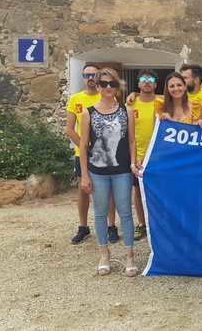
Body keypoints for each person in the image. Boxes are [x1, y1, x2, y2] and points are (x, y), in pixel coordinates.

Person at [79, 68, 139, 277]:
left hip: (122, 170)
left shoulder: (126, 111)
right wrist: (85, 175)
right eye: (103, 84)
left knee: (125, 213)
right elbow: (83, 146)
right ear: (96, 85)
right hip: (98, 172)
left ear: (117, 86)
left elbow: (132, 140)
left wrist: (133, 162)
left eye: (111, 84)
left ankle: (129, 255)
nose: (107, 88)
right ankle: (104, 254)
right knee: (100, 213)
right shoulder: (88, 113)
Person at [66, 63, 118, 244]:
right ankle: (83, 227)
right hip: (83, 152)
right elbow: (70, 129)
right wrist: (85, 147)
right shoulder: (75, 99)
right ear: (82, 77)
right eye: (86, 75)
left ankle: (111, 226)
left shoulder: (107, 94)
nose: (90, 78)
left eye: (93, 75)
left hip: (106, 153)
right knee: (83, 190)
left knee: (109, 190)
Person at [130, 69, 162, 241]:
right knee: (137, 191)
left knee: (159, 190)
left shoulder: (162, 102)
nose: (147, 81)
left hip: (159, 155)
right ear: (138, 84)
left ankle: (158, 223)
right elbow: (129, 134)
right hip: (139, 156)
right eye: (143, 79)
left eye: (151, 79)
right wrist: (133, 157)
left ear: (156, 84)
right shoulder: (130, 104)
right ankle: (142, 224)